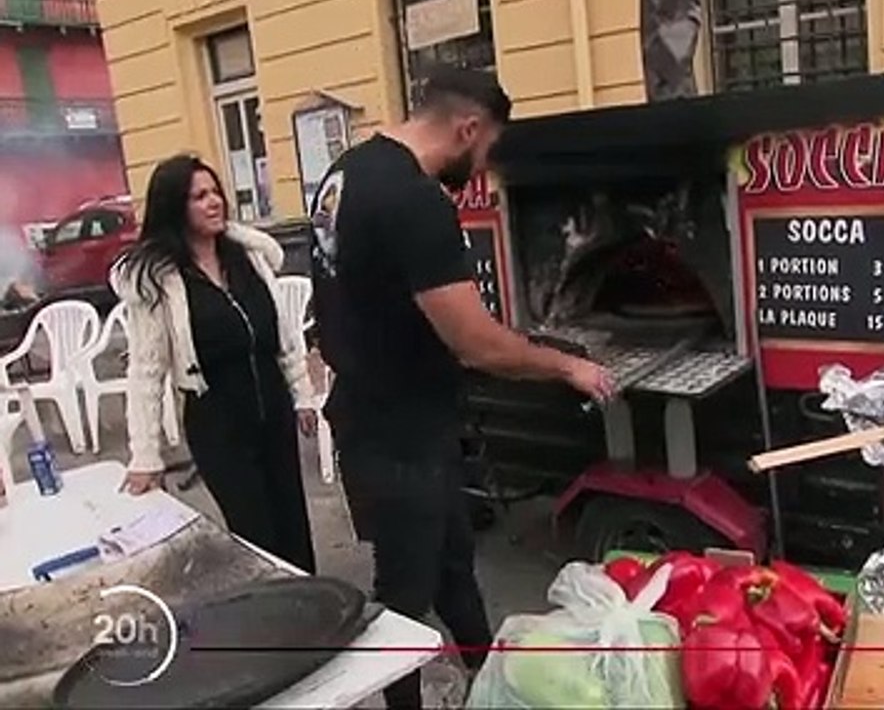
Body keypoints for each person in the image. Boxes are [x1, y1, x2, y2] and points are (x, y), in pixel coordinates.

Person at [310, 66, 615, 708]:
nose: (481, 166)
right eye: (485, 150)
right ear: (468, 127)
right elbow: (475, 342)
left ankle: (490, 681)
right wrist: (568, 367)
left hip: (383, 414)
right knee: (401, 601)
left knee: (451, 560)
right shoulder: (415, 200)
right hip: (399, 435)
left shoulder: (344, 174)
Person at [113, 154, 319, 574]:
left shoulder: (247, 256)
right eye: (198, 196)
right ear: (174, 207)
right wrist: (145, 455)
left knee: (293, 523)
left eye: (215, 193)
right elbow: (146, 373)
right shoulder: (159, 278)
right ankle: (272, 626)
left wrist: (301, 395)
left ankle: (313, 612)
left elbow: (281, 335)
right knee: (255, 534)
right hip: (218, 420)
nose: (213, 202)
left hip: (272, 407)